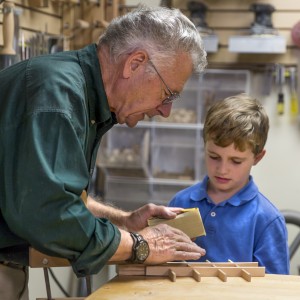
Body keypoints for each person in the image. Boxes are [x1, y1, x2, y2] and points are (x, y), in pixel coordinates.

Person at [0, 5, 207, 300]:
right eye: (168, 93)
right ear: (135, 64)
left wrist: (124, 221)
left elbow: (60, 195)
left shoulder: (81, 95)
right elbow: (49, 214)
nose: (166, 110)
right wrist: (140, 245)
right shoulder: (58, 95)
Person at [168, 94, 290, 274]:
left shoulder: (266, 220)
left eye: (236, 161)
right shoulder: (180, 203)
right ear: (204, 147)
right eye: (214, 157)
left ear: (257, 158)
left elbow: (276, 289)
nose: (222, 169)